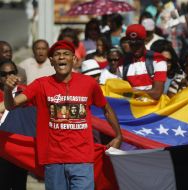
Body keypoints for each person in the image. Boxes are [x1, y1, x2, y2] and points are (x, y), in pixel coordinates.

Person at [2, 40, 122, 190]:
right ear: (51, 61)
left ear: (74, 59)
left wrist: (118, 136)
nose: (61, 57)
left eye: (66, 54)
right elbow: (11, 105)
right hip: (53, 160)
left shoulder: (89, 84)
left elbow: (106, 109)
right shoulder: (40, 85)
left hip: (82, 160)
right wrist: (7, 90)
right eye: (57, 55)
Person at [118, 24, 167, 100]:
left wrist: (136, 92)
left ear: (144, 41)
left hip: (153, 109)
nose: (135, 48)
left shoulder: (158, 59)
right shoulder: (122, 63)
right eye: (132, 45)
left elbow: (157, 93)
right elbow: (120, 92)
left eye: (138, 44)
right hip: (132, 109)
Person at [0, 59, 28, 190]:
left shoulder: (24, 93)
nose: (8, 77)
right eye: (3, 74)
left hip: (19, 150)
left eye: (11, 73)